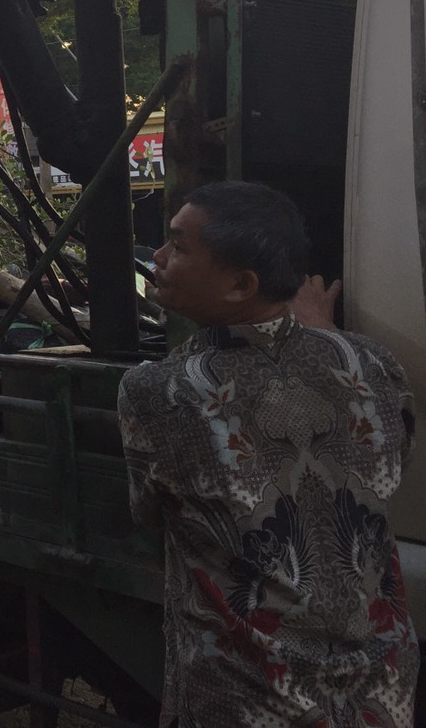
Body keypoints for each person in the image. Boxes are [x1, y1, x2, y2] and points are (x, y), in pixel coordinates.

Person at [118, 181, 418, 727]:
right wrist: (329, 341)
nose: (158, 258)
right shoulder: (374, 362)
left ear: (240, 285)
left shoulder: (156, 392)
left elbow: (147, 516)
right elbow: (390, 466)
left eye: (179, 246)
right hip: (379, 690)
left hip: (246, 694)